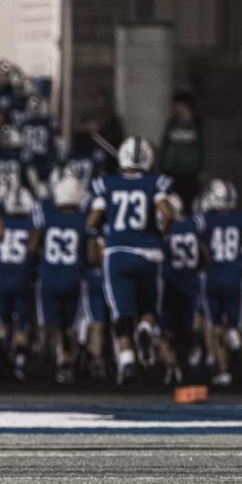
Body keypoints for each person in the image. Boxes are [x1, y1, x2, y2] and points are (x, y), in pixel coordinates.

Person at [87, 137, 176, 384]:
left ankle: (126, 360)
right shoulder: (155, 183)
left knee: (121, 313)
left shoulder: (106, 184)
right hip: (149, 254)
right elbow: (168, 213)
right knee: (149, 309)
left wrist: (103, 232)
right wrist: (160, 235)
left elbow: (92, 221)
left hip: (118, 253)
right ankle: (146, 329)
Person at [195, 179, 242, 387]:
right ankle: (233, 335)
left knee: (214, 326)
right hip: (234, 275)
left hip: (212, 276)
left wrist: (205, 260)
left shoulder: (203, 220)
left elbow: (197, 246)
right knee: (232, 325)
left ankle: (223, 371)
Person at [30, 175, 94, 384]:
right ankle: (70, 361)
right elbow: (92, 255)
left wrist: (40, 256)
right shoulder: (84, 219)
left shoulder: (47, 216)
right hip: (74, 277)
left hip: (49, 277)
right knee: (73, 324)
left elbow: (31, 247)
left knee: (54, 324)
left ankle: (60, 359)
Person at [0, 184, 36, 380]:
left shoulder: (1, 225)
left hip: (2, 279)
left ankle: (2, 361)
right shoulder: (30, 227)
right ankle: (19, 364)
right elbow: (33, 250)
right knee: (22, 323)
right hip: (22, 278)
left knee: (2, 324)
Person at [162, 193, 199, 386]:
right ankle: (189, 363)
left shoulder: (167, 229)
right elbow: (204, 254)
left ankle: (172, 365)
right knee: (187, 329)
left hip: (170, 283)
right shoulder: (193, 225)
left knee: (165, 330)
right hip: (190, 282)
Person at [159, 92, 204, 207]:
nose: (177, 108)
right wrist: (161, 165)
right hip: (171, 171)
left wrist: (202, 169)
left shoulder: (197, 124)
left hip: (190, 172)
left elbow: (202, 147)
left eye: (179, 105)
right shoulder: (172, 123)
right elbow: (165, 145)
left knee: (188, 202)